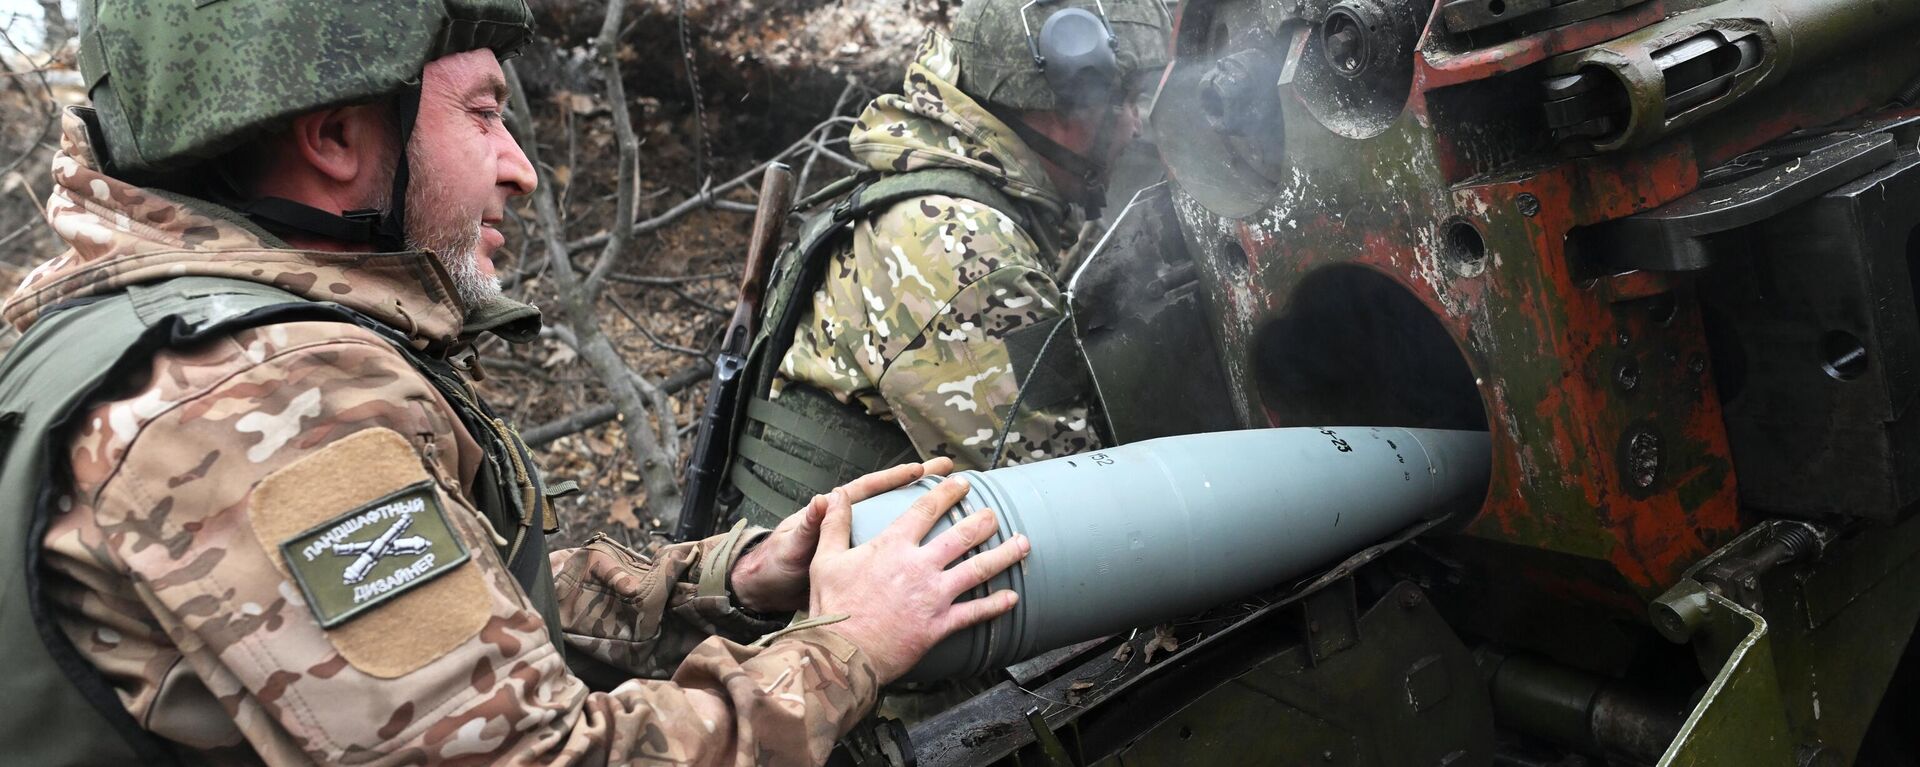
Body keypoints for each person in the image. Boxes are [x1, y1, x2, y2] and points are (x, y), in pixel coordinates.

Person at [0, 1, 1027, 764]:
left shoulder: (130, 326)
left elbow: (443, 600)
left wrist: (724, 581)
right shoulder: (257, 402)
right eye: (485, 115)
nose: (520, 167)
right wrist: (847, 644)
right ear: (337, 137)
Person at [724, 0, 1172, 528]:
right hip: (821, 603)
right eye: (1129, 101)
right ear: (1067, 103)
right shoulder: (959, 248)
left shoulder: (943, 188)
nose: (1138, 126)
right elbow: (1080, 512)